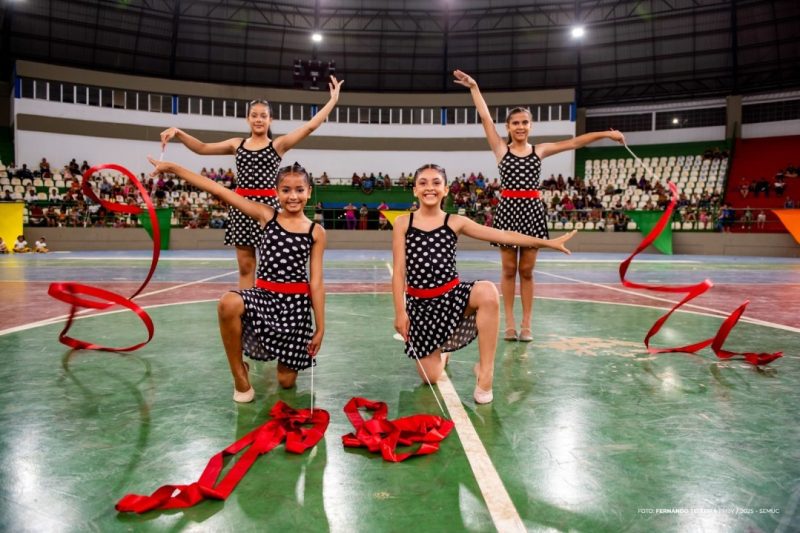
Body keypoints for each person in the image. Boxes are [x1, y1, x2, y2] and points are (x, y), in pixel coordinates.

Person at [454, 69, 624, 342]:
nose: (520, 127)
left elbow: (575, 142)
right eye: (515, 123)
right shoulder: (501, 149)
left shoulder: (539, 150)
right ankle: (510, 323)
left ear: (530, 126)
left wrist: (607, 134)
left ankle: (527, 324)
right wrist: (474, 87)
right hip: (508, 211)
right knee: (508, 269)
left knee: (527, 271)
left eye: (525, 122)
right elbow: (485, 117)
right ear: (508, 127)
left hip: (532, 212)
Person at [392, 164, 575, 404]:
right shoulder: (403, 223)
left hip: (452, 298)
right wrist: (400, 312)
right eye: (423, 183)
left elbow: (504, 235)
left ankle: (485, 372)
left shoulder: (455, 221)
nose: (430, 188)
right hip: (421, 307)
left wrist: (547, 243)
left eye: (436, 182)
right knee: (430, 377)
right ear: (415, 190)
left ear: (445, 190)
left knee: (487, 291)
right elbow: (398, 272)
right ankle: (443, 354)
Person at [149, 158, 326, 402]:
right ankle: (239, 374)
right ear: (276, 192)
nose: (293, 196)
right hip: (265, 298)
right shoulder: (267, 216)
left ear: (309, 192)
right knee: (228, 302)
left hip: (296, 310)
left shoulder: (316, 231)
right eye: (286, 190)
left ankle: (282, 359)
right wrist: (173, 169)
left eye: (299, 190)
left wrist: (320, 328)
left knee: (286, 382)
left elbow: (316, 283)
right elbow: (220, 190)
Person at [160, 76, 343, 289]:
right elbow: (202, 148)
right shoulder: (236, 144)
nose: (258, 119)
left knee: (271, 264)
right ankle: (248, 305)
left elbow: (310, 127)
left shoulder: (278, 145)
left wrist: (332, 101)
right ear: (247, 119)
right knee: (246, 267)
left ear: (270, 120)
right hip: (240, 207)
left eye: (263, 116)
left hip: (268, 209)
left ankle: (269, 301)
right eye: (254, 115)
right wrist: (178, 132)